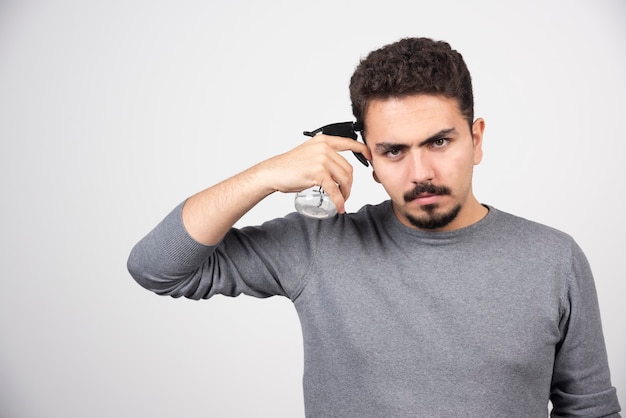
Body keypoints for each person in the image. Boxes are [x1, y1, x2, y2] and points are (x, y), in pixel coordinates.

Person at [127, 37, 621, 417]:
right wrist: (263, 176)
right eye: (394, 151)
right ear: (367, 155)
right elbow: (156, 269)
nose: (421, 172)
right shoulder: (318, 244)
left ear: (476, 138)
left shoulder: (553, 258)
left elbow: (590, 410)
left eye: (440, 142)